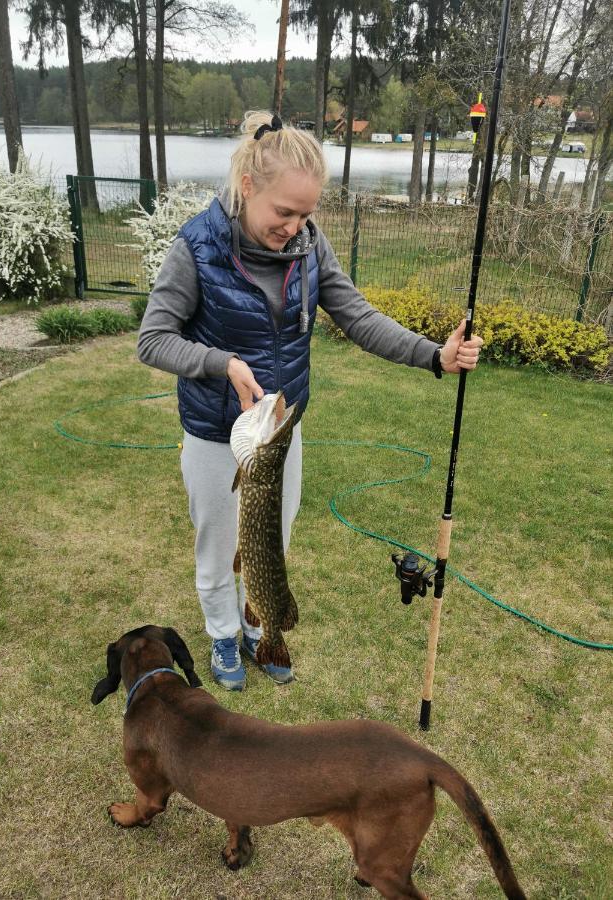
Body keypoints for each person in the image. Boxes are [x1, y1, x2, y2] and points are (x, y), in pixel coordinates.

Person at [138, 110, 483, 691]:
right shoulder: (196, 247)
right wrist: (219, 363)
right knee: (221, 547)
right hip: (215, 431)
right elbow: (153, 339)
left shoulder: (309, 247)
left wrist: (433, 355)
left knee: (270, 543)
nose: (295, 226)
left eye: (307, 214)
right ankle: (224, 634)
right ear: (248, 186)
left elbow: (358, 316)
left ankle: (260, 626)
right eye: (284, 212)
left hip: (277, 434)